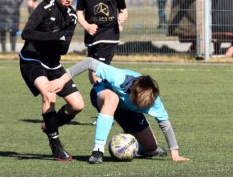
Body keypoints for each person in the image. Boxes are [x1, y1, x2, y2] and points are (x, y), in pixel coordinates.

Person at [48, 57, 190, 164]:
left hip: (127, 111)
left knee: (151, 148)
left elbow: (165, 124)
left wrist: (175, 153)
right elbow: (89, 62)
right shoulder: (119, 78)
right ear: (132, 92)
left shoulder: (154, 101)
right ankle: (98, 150)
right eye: (138, 104)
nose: (142, 107)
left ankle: (134, 146)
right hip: (104, 94)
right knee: (113, 98)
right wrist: (62, 79)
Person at [19, 0, 84, 161]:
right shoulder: (45, 7)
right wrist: (53, 36)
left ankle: (49, 125)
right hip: (32, 59)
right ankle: (56, 146)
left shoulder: (72, 16)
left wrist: (59, 39)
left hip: (53, 64)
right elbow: (26, 33)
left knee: (78, 105)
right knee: (49, 94)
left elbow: (63, 49)